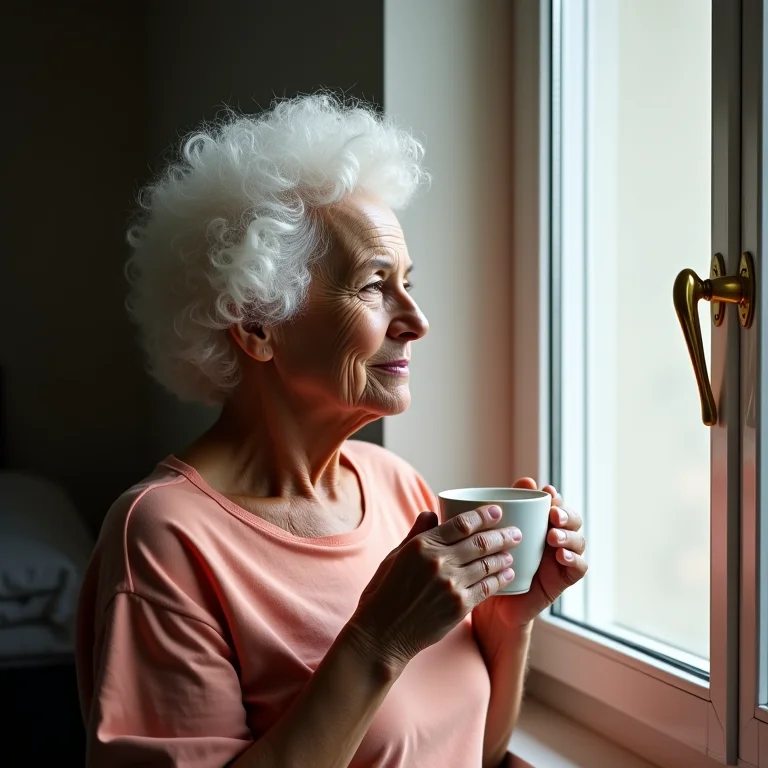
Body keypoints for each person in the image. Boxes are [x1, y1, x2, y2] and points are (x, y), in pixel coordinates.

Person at [75, 93, 588, 768]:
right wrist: (379, 641)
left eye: (407, 283)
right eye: (374, 286)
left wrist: (507, 621)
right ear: (257, 324)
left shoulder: (398, 486)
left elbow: (476, 751)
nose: (417, 320)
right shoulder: (163, 536)